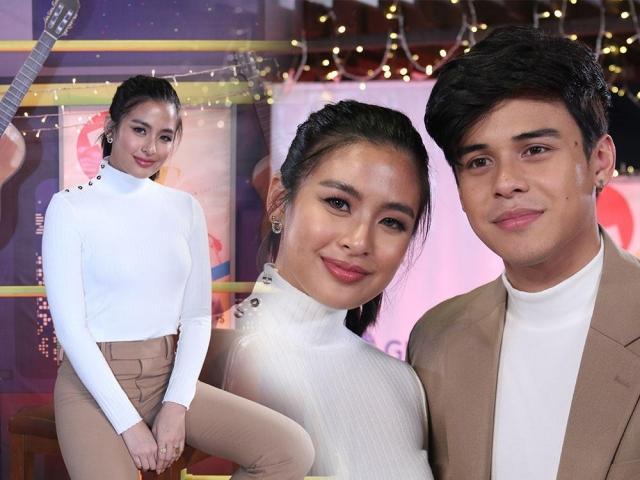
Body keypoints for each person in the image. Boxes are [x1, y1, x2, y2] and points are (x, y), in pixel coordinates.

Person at [42, 75, 314, 479]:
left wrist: (176, 405)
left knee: (290, 450)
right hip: (92, 387)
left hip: (168, 377)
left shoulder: (184, 208)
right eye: (140, 130)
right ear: (112, 128)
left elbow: (197, 316)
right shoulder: (69, 208)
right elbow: (71, 331)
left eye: (165, 137)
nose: (151, 147)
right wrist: (130, 426)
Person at [408, 26, 640, 480]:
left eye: (534, 150)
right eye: (479, 161)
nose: (506, 182)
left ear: (600, 161)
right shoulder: (435, 340)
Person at [226, 100, 434, 479]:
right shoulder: (203, 357)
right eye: (338, 203)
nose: (360, 241)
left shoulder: (406, 386)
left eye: (392, 222)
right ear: (279, 200)